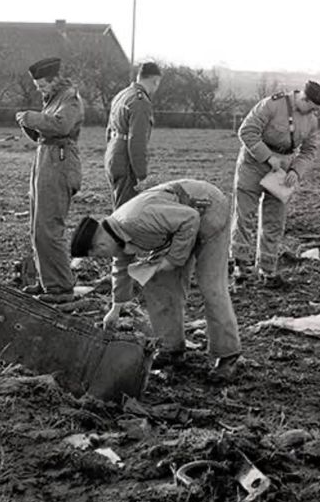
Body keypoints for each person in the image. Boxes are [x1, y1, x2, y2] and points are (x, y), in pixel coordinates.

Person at [71, 179, 241, 381]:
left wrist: (173, 260)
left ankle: (228, 355)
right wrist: (115, 310)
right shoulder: (115, 233)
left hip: (209, 209)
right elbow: (121, 268)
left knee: (211, 286)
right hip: (181, 224)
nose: (104, 257)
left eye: (99, 254)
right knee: (158, 281)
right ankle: (172, 349)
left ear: (98, 245)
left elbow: (190, 218)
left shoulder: (136, 220)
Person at [230, 80, 320, 285]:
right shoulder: (272, 104)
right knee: (245, 215)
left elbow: (309, 150)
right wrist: (267, 157)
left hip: (283, 169)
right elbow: (246, 131)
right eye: (311, 107)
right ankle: (241, 265)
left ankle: (267, 269)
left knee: (275, 220)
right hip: (253, 163)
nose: (312, 112)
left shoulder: (311, 120)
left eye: (315, 110)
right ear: (303, 98)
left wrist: (295, 171)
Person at [16, 57, 84, 304]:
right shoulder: (55, 98)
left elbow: (62, 125)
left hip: (60, 161)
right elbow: (43, 134)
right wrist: (28, 124)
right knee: (37, 227)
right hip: (46, 159)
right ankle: (48, 282)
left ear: (54, 80)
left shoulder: (70, 98)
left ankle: (61, 288)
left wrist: (32, 118)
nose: (40, 89)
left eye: (42, 85)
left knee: (49, 228)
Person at [104, 61, 161, 208]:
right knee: (126, 213)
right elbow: (137, 141)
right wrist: (141, 175)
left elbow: (109, 130)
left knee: (118, 206)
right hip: (125, 160)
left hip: (113, 154)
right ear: (155, 81)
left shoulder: (122, 95)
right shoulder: (140, 102)